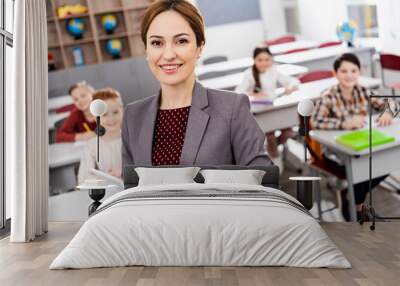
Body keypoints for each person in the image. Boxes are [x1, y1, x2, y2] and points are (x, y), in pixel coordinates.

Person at [121, 0, 272, 167]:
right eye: (157, 43)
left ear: (200, 47)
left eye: (181, 41)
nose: (169, 54)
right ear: (147, 50)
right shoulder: (133, 117)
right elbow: (131, 187)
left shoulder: (232, 109)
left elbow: (264, 179)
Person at [310, 53, 394, 221]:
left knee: (388, 160)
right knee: (369, 164)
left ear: (359, 72)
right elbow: (315, 121)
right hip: (335, 151)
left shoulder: (363, 91)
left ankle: (353, 198)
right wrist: (344, 123)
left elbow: (390, 102)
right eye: (344, 71)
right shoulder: (329, 96)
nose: (349, 75)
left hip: (362, 144)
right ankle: (357, 206)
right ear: (335, 74)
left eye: (353, 70)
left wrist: (388, 112)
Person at [235, 46, 300, 169]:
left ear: (271, 60)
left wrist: (290, 87)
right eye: (260, 60)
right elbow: (238, 92)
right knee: (270, 136)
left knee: (288, 132)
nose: (264, 63)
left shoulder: (274, 70)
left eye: (267, 59)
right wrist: (254, 94)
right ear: (254, 60)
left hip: (274, 109)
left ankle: (271, 150)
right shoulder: (249, 74)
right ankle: (274, 155)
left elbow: (293, 81)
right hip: (261, 114)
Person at [78, 88, 123, 184]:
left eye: (115, 112)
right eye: (104, 114)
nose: (111, 118)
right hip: (110, 192)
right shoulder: (91, 146)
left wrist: (124, 173)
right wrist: (105, 179)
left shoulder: (134, 138)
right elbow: (83, 179)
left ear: (123, 111)